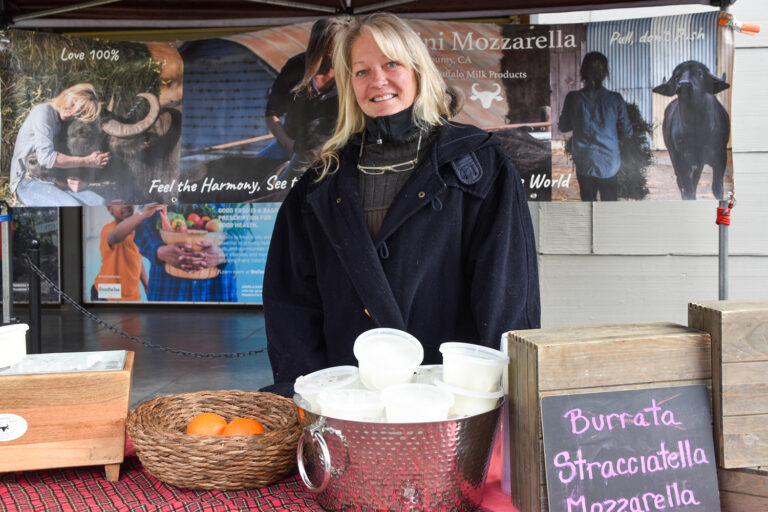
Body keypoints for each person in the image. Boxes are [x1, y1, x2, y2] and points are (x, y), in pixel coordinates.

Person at [262, 13, 540, 394]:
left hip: (450, 400)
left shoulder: (477, 165)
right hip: (351, 400)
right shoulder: (318, 185)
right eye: (361, 72)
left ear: (418, 70)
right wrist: (307, 395)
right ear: (348, 85)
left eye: (391, 64)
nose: (377, 81)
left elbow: (507, 294)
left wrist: (500, 393)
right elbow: (291, 304)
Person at [262, 17, 348, 175]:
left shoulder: (349, 72)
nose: (337, 55)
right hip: (291, 144)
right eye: (330, 51)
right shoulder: (294, 67)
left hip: (334, 150)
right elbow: (271, 115)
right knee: (251, 176)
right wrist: (288, 144)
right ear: (317, 47)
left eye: (341, 49)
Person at [10, 83, 111, 206]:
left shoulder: (62, 121)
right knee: (72, 205)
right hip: (27, 182)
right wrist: (88, 161)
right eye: (73, 104)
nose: (72, 112)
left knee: (99, 202)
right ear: (67, 94)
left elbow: (68, 158)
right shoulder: (43, 112)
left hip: (55, 181)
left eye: (79, 113)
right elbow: (46, 159)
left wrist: (83, 182)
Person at [558, 51, 632, 201]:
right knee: (609, 207)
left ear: (583, 72)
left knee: (588, 203)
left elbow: (563, 126)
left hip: (584, 162)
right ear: (605, 73)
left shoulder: (573, 98)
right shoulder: (615, 99)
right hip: (609, 163)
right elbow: (627, 131)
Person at [133, 210, 236, 302]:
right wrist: (159, 250)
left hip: (217, 291)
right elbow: (140, 225)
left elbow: (241, 229)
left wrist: (224, 253)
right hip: (167, 289)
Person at [92, 204, 164, 301]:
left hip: (131, 297)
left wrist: (146, 283)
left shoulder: (137, 231)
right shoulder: (108, 229)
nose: (125, 205)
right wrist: (142, 213)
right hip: (106, 295)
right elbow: (115, 236)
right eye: (119, 203)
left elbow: (135, 257)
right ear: (109, 208)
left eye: (128, 201)